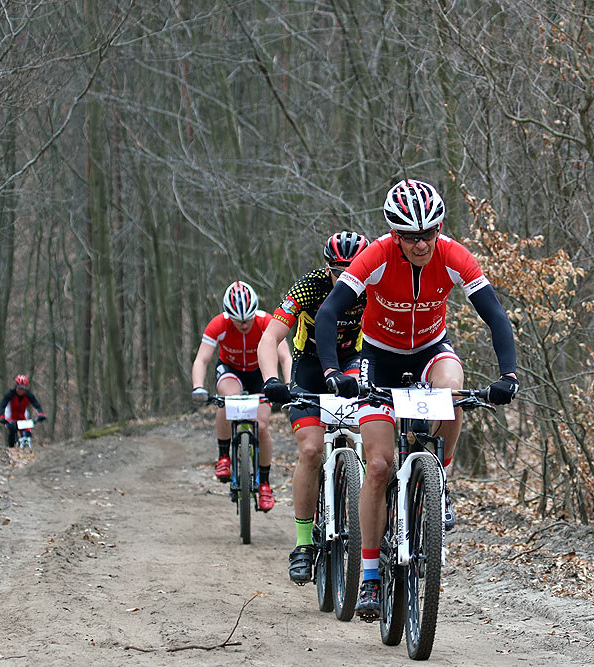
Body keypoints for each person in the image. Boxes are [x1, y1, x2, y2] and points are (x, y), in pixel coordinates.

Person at [313, 179, 519, 619]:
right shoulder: (375, 257)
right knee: (380, 465)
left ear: (439, 228)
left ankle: (439, 479)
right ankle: (369, 572)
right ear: (395, 234)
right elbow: (329, 312)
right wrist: (333, 371)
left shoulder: (454, 256)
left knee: (454, 387)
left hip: (431, 350)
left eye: (428, 233)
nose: (421, 243)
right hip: (379, 360)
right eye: (410, 236)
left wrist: (508, 375)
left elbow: (495, 315)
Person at [259, 231, 369, 584]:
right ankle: (303, 545)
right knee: (309, 450)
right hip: (308, 368)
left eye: (353, 269)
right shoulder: (308, 286)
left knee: (369, 436)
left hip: (352, 361)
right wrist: (271, 379)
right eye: (338, 271)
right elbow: (270, 336)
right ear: (326, 268)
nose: (346, 277)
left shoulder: (376, 284)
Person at [190, 280, 291, 511]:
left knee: (262, 425)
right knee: (227, 400)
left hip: (259, 372)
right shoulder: (218, 324)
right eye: (238, 320)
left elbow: (285, 357)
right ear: (228, 315)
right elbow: (202, 359)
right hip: (231, 370)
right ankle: (224, 456)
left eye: (247, 319)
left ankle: (264, 483)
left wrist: (287, 384)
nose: (244, 324)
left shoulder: (267, 322)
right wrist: (198, 386)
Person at [0, 374, 46, 448]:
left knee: (28, 432)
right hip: (10, 417)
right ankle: (11, 447)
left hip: (22, 417)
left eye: (23, 388)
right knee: (12, 429)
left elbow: (37, 405)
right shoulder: (10, 394)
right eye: (19, 388)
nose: (20, 390)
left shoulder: (29, 395)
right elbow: (2, 406)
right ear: (15, 387)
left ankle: (27, 449)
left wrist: (41, 414)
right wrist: (2, 416)